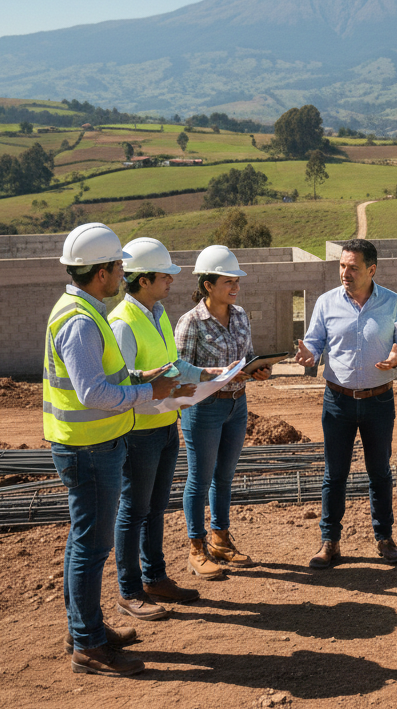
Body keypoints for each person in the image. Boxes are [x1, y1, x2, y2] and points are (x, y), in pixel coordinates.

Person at [44, 222, 181, 677]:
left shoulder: (83, 310)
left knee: (82, 544)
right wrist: (147, 393)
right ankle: (88, 645)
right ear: (100, 272)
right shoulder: (81, 321)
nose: (124, 272)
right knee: (90, 547)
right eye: (118, 266)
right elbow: (92, 393)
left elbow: (106, 379)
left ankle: (84, 629)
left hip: (89, 444)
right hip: (88, 447)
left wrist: (142, 378)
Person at [109, 237, 220, 619]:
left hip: (165, 425)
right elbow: (124, 384)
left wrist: (209, 373)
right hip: (139, 431)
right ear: (143, 280)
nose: (172, 281)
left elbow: (172, 367)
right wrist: (167, 390)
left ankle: (155, 577)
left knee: (155, 509)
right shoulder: (122, 323)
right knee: (133, 510)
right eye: (165, 276)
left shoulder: (156, 314)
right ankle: (129, 590)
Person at [296, 238, 397, 569]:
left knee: (380, 472)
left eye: (353, 268)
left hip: (379, 401)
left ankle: (384, 539)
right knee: (335, 474)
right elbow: (315, 342)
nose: (345, 273)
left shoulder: (393, 303)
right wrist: (309, 354)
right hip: (338, 401)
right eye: (341, 266)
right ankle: (329, 542)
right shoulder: (326, 302)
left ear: (371, 270)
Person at [175, 245, 271, 579]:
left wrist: (257, 370)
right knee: (199, 480)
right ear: (208, 285)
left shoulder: (240, 315)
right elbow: (179, 370)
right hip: (204, 408)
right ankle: (196, 548)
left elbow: (248, 355)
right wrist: (216, 375)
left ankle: (220, 540)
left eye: (236, 281)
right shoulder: (191, 322)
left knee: (224, 477)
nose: (235, 287)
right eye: (228, 281)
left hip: (236, 404)